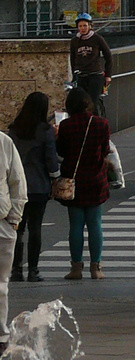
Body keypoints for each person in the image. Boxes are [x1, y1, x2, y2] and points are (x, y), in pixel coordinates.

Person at [56, 87, 110, 280]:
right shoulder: (101, 124)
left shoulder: (66, 126)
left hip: (74, 180)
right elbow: (105, 150)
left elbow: (61, 151)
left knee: (76, 225)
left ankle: (76, 267)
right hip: (96, 179)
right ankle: (96, 268)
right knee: (95, 223)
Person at [7, 92, 55, 283]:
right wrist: (56, 178)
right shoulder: (45, 131)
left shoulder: (15, 129)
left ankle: (16, 269)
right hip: (38, 185)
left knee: (18, 228)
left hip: (17, 185)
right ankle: (33, 270)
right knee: (36, 228)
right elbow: (51, 160)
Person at [0, 116, 24, 344]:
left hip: (1, 222)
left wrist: (13, 220)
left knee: (0, 285)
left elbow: (17, 181)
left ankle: (0, 335)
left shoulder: (3, 143)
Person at [68, 14, 113, 115]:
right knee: (80, 103)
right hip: (81, 75)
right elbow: (73, 58)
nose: (83, 28)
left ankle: (95, 125)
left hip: (95, 75)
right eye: (80, 26)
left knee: (91, 103)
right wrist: (74, 75)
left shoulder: (97, 38)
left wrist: (108, 75)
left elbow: (108, 56)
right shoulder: (75, 41)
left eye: (85, 25)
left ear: (90, 26)